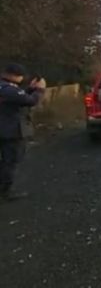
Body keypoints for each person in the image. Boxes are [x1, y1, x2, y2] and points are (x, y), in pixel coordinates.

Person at [0, 63, 46, 201]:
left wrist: (31, 88)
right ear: (14, 75)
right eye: (20, 76)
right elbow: (30, 101)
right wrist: (40, 90)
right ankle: (5, 191)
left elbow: (18, 97)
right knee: (11, 161)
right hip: (11, 131)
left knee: (5, 161)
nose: (21, 79)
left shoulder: (5, 87)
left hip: (4, 128)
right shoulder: (8, 89)